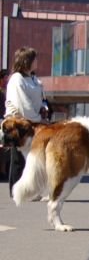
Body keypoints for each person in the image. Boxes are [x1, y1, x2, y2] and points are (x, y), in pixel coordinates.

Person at [5, 47, 47, 194]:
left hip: (32, 122)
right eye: (34, 59)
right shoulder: (17, 79)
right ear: (26, 61)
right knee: (19, 159)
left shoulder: (34, 79)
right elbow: (22, 104)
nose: (37, 61)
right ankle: (16, 190)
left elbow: (41, 99)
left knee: (32, 158)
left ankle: (30, 190)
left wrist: (43, 107)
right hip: (18, 124)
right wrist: (37, 119)